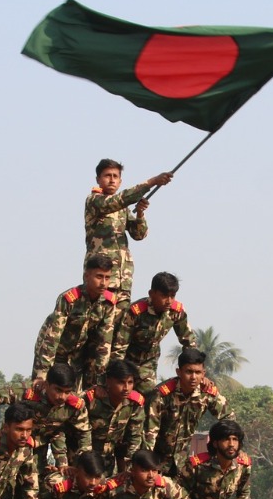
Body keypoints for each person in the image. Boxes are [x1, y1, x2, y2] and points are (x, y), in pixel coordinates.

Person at [83, 159, 172, 302]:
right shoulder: (94, 200)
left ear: (120, 181)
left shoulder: (123, 209)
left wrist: (140, 214)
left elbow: (139, 234)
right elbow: (117, 201)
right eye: (107, 176)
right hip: (101, 278)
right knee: (99, 322)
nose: (112, 180)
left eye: (115, 176)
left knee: (120, 322)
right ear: (98, 179)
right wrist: (152, 182)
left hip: (122, 279)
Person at [0, 366, 93, 474]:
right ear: (47, 385)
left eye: (67, 392)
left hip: (39, 448)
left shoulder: (74, 405)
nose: (62, 397)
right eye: (58, 390)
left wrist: (84, 462)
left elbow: (84, 432)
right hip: (11, 445)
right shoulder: (27, 392)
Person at [32, 253, 123, 390]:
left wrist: (100, 380)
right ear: (87, 276)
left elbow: (104, 342)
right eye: (99, 277)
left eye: (107, 278)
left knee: (71, 396)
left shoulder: (109, 303)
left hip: (77, 354)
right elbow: (52, 337)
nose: (103, 282)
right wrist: (42, 372)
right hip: (53, 350)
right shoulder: (70, 299)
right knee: (43, 391)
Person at [144, 348, 233, 477]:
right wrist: (148, 467)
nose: (193, 377)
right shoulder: (162, 395)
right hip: (156, 462)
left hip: (183, 464)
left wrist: (218, 447)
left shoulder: (207, 393)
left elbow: (229, 418)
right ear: (179, 372)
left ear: (203, 374)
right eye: (189, 372)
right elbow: (149, 433)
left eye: (198, 372)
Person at [113, 271, 195, 389]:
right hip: (127, 361)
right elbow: (119, 347)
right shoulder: (135, 312)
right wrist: (117, 374)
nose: (169, 301)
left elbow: (189, 342)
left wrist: (192, 369)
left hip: (148, 363)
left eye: (172, 296)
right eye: (164, 296)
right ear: (151, 294)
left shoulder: (176, 312)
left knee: (149, 396)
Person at [181, 420, 252, 499]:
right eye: (226, 439)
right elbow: (181, 495)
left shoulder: (243, 466)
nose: (231, 444)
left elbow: (243, 495)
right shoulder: (197, 465)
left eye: (235, 439)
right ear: (215, 443)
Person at [83, 360, 147, 477]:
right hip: (82, 457)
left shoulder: (135, 403)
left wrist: (129, 469)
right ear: (108, 381)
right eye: (121, 382)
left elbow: (135, 437)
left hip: (108, 460)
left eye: (130, 382)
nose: (126, 388)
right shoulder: (91, 399)